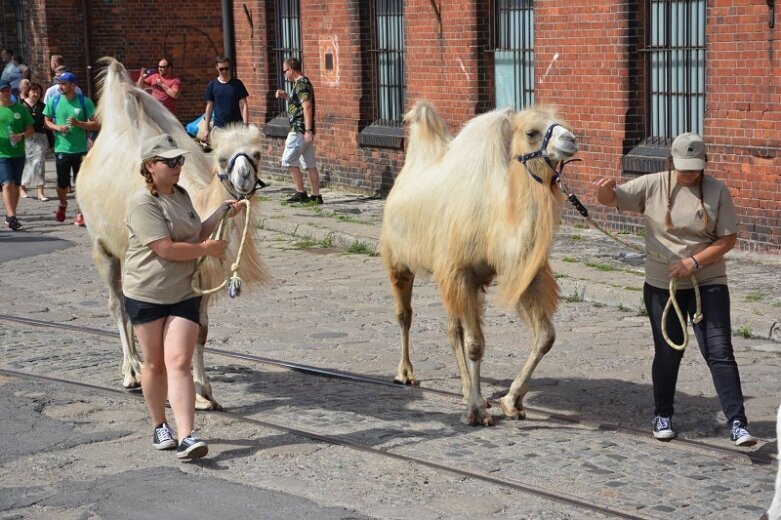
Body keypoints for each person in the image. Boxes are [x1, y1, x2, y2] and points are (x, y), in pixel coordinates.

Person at [594, 132, 756, 447]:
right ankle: (663, 414)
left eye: (695, 167)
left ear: (705, 163)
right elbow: (613, 199)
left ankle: (738, 423)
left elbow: (728, 240)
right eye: (683, 167)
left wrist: (693, 263)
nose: (689, 173)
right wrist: (604, 191)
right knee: (669, 353)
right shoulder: (653, 184)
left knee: (720, 352)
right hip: (661, 286)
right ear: (671, 162)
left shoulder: (717, 191)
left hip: (707, 282)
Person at [124, 133, 244, 460]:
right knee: (154, 364)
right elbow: (164, 248)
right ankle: (159, 424)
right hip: (147, 291)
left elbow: (194, 232)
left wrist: (220, 213)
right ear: (151, 166)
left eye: (180, 161)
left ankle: (188, 435)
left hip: (184, 292)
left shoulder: (180, 194)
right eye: (171, 162)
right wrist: (205, 250)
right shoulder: (142, 203)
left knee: (178, 362)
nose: (178, 166)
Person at [42, 71, 98, 226]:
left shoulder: (85, 102)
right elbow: (46, 121)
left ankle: (81, 213)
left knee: (81, 183)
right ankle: (62, 202)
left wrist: (80, 124)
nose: (60, 86)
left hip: (81, 150)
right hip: (62, 149)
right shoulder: (53, 101)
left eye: (63, 83)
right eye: (59, 83)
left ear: (73, 85)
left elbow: (97, 124)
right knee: (62, 184)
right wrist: (58, 128)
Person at [274, 57, 322, 204]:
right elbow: (299, 105)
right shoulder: (299, 84)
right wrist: (287, 96)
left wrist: (308, 130)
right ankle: (316, 196)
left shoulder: (301, 84)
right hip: (302, 130)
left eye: (284, 71)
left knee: (288, 160)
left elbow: (307, 106)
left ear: (291, 69)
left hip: (299, 130)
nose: (284, 75)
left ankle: (300, 192)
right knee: (309, 164)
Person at [0, 79, 34, 230]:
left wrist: (20, 136)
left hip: (19, 153)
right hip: (2, 154)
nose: (5, 93)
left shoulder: (20, 109)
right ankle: (12, 216)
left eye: (7, 90)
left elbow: (31, 130)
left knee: (16, 186)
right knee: (7, 184)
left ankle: (9, 215)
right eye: (2, 91)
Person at [201, 56, 248, 142]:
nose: (224, 71)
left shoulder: (237, 84)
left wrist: (245, 124)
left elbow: (244, 104)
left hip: (236, 127)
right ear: (216, 68)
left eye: (226, 68)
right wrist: (206, 128)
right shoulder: (212, 85)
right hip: (219, 128)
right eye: (221, 69)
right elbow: (209, 107)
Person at [20, 82, 49, 201]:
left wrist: (51, 143)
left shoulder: (43, 106)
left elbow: (47, 124)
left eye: (38, 92)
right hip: (24, 138)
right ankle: (21, 187)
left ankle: (40, 191)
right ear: (28, 92)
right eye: (33, 91)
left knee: (39, 164)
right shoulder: (21, 106)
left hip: (40, 137)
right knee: (25, 163)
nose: (36, 94)